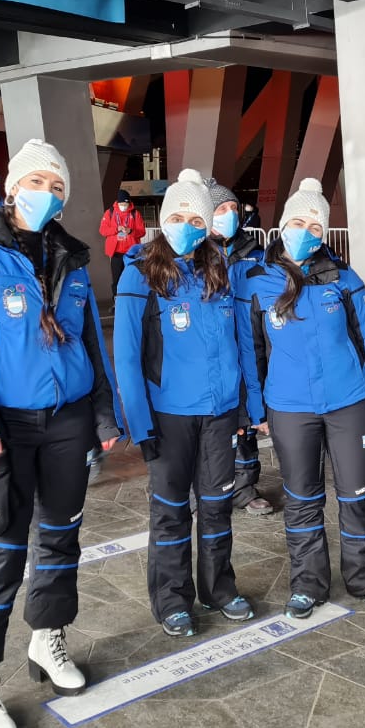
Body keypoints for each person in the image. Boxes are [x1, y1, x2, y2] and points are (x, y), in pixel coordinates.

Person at [0, 139, 120, 728]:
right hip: (5, 431)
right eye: (39, 181)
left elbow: (90, 340)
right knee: (0, 552)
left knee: (61, 538)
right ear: (13, 186)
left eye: (59, 185)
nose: (50, 193)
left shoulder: (71, 255)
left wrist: (103, 415)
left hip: (66, 423)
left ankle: (48, 638)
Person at [235, 178, 365, 620]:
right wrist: (256, 411)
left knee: (358, 494)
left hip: (351, 403)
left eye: (315, 225)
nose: (306, 231)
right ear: (282, 225)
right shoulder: (255, 283)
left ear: (325, 233)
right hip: (289, 409)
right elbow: (251, 354)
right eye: (298, 222)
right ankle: (308, 583)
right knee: (302, 498)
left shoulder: (345, 279)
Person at [115, 169, 259, 638]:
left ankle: (219, 588)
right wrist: (140, 424)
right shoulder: (140, 272)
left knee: (217, 507)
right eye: (177, 215)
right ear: (163, 218)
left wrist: (248, 408)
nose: (187, 225)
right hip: (168, 417)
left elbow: (243, 343)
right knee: (171, 511)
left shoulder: (220, 269)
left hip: (219, 414)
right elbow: (126, 355)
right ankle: (173, 599)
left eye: (195, 218)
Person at [205, 176, 272, 516]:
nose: (230, 214)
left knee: (247, 419)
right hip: (211, 351)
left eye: (233, 208)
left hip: (249, 348)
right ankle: (201, 491)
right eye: (221, 208)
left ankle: (245, 489)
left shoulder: (254, 253)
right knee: (211, 423)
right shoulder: (197, 253)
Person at [99, 189, 145, 293]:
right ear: (118, 203)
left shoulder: (135, 214)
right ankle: (116, 300)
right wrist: (116, 229)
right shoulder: (109, 213)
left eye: (126, 204)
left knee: (132, 278)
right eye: (121, 203)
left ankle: (131, 299)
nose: (124, 206)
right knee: (117, 278)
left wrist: (131, 231)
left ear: (129, 203)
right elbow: (103, 230)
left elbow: (142, 232)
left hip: (131, 253)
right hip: (116, 252)